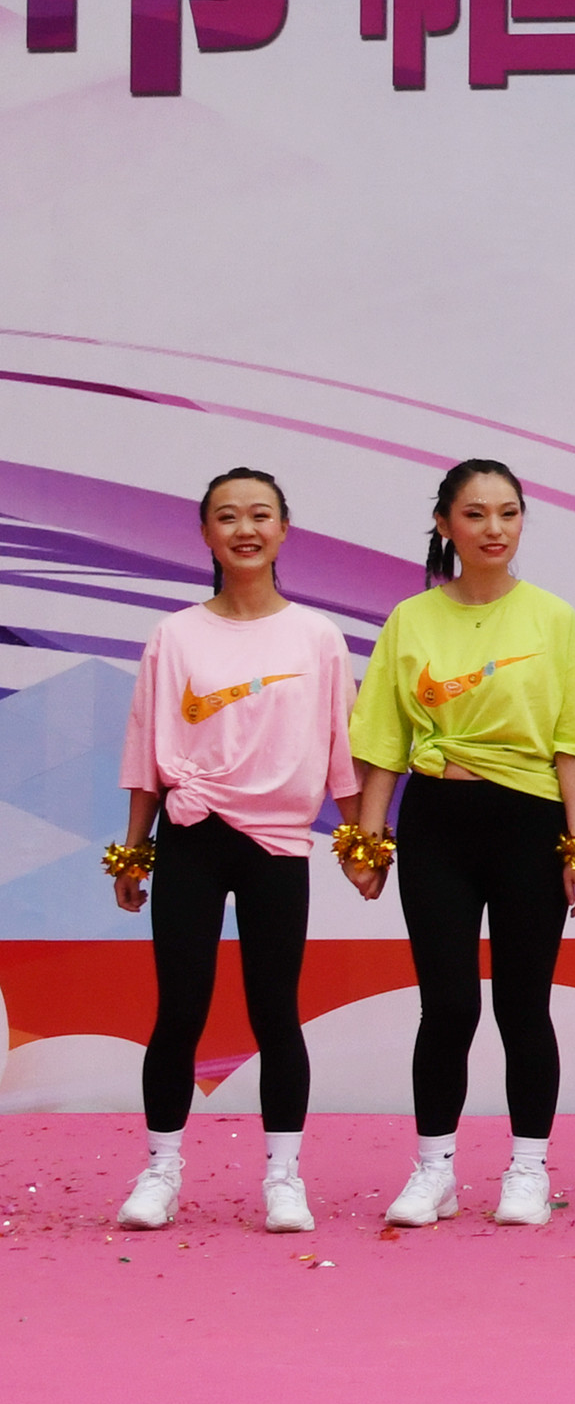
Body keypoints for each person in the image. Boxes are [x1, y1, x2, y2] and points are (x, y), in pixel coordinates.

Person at [346, 460, 575, 1232]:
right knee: (449, 1004)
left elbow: (573, 742)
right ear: (444, 524)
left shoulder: (553, 618)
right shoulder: (411, 619)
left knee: (524, 1004)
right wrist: (368, 839)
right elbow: (383, 740)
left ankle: (528, 1169)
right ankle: (434, 1171)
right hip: (437, 823)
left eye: (508, 513)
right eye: (476, 514)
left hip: (529, 822)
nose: (494, 529)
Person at [106, 469, 350, 1234]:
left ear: (284, 529)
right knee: (180, 1008)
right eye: (228, 517)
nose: (246, 529)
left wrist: (360, 840)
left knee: (275, 1010)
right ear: (207, 533)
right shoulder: (174, 636)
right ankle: (160, 1172)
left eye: (260, 515)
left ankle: (284, 1178)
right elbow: (146, 748)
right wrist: (135, 852)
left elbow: (342, 748)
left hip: (277, 842)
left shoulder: (317, 636)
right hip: (191, 837)